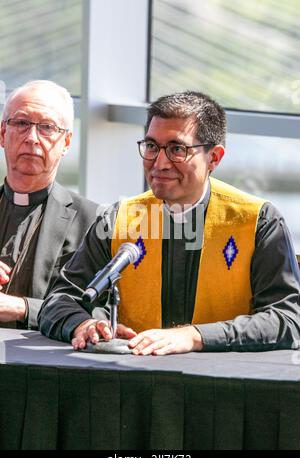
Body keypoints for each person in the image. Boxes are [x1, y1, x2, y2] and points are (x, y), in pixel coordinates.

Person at [38, 91, 300, 354]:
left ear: (214, 158)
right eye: (151, 147)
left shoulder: (257, 221)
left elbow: (287, 319)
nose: (159, 163)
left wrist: (196, 336)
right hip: (132, 380)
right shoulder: (120, 219)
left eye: (177, 149)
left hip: (225, 384)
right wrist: (82, 324)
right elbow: (59, 300)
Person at [0, 80, 98, 329]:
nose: (32, 138)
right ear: (2, 133)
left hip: (44, 363)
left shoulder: (93, 221)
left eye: (47, 127)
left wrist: (22, 308)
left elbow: (99, 312)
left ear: (66, 142)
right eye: (21, 123)